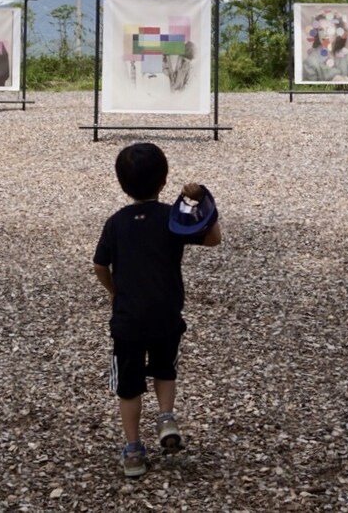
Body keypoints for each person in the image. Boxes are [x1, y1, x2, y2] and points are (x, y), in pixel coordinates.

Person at [92, 143, 223, 478]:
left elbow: (99, 265)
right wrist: (199, 201)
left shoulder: (116, 223)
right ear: (164, 181)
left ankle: (134, 450)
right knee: (165, 370)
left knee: (130, 387)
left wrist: (114, 291)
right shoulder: (171, 218)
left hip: (128, 321)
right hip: (166, 315)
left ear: (121, 183)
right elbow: (212, 238)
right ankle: (166, 417)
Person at [301, 10, 348, 82]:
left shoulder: (347, 55)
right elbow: (310, 91)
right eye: (321, 29)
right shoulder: (310, 62)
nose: (324, 34)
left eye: (329, 29)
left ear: (337, 32)